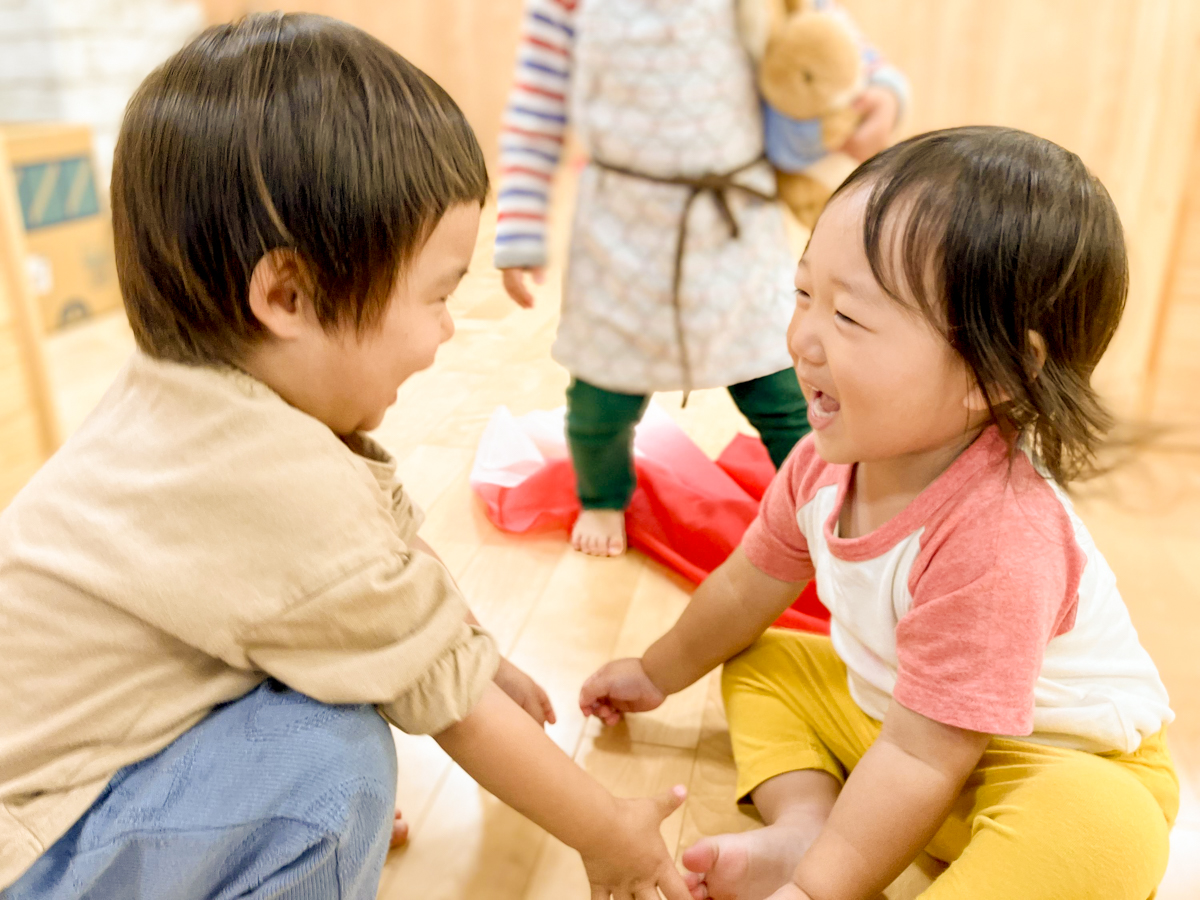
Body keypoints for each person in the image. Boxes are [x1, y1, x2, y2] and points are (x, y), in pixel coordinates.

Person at [0, 15, 691, 900]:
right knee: (334, 772)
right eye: (437, 296)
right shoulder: (263, 481)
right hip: (38, 848)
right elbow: (448, 700)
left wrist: (473, 646)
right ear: (287, 294)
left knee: (326, 699)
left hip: (57, 792)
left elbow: (388, 565)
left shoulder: (197, 400)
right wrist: (611, 833)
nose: (447, 330)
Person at [579, 126, 1178, 900]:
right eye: (803, 296)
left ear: (994, 372)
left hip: (1044, 761)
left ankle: (830, 863)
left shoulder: (999, 539)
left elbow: (929, 757)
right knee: (765, 661)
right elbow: (742, 589)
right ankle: (805, 828)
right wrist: (655, 672)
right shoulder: (822, 465)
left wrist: (820, 892)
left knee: (1104, 825)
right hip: (906, 731)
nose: (802, 339)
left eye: (849, 319)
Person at [494, 0, 908, 557]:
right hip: (620, 230)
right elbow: (536, 111)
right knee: (600, 401)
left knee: (783, 391)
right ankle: (602, 495)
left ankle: (820, 502)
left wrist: (880, 88)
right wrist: (519, 226)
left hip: (734, 227)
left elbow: (822, 40)